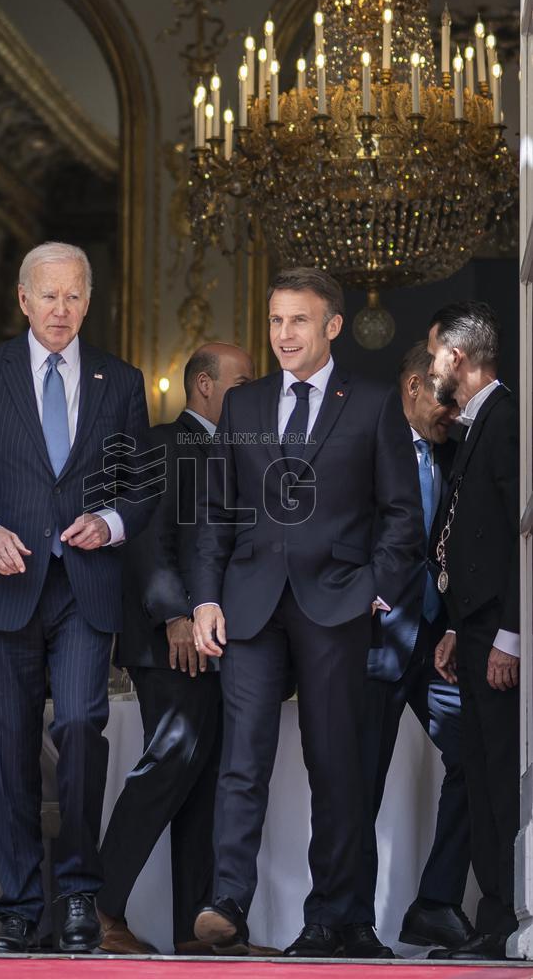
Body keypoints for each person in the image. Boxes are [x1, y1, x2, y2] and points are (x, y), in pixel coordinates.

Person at [0, 242, 154, 954]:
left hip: (82, 589)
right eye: (48, 296)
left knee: (83, 725)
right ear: (23, 300)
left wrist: (110, 522)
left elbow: (142, 488)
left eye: (74, 296)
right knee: (10, 747)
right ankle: (20, 906)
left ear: (89, 301)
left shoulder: (120, 381)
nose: (62, 309)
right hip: (3, 586)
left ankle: (81, 893)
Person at [191, 266, 424, 958]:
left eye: (298, 320)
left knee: (336, 765)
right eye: (275, 320)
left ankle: (332, 916)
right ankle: (227, 902)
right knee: (242, 761)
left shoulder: (374, 403)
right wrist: (204, 597)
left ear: (331, 326)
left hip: (337, 605)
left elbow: (403, 516)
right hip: (250, 607)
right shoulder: (244, 405)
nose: (283, 334)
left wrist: (373, 588)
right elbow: (213, 513)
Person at [97, 343, 255, 955]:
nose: (252, 393)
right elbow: (143, 540)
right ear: (206, 386)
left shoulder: (233, 452)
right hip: (171, 637)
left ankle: (199, 933)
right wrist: (174, 616)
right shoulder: (161, 443)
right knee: (169, 763)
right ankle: (101, 908)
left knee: (202, 780)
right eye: (242, 383)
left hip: (216, 641)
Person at [353, 341, 473, 950]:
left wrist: (455, 622)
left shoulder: (458, 456)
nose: (455, 413)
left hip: (436, 643)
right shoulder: (368, 444)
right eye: (447, 401)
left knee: (480, 756)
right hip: (374, 637)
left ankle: (436, 899)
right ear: (413, 388)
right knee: (360, 786)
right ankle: (352, 925)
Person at [425, 301, 519, 961]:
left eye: (433, 354)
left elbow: (520, 540)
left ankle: (508, 915)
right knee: (484, 776)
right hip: (476, 627)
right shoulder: (480, 423)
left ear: (457, 357)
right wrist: (461, 626)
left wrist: (511, 633)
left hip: (503, 636)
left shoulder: (510, 420)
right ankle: (493, 919)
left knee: (498, 779)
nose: (431, 368)